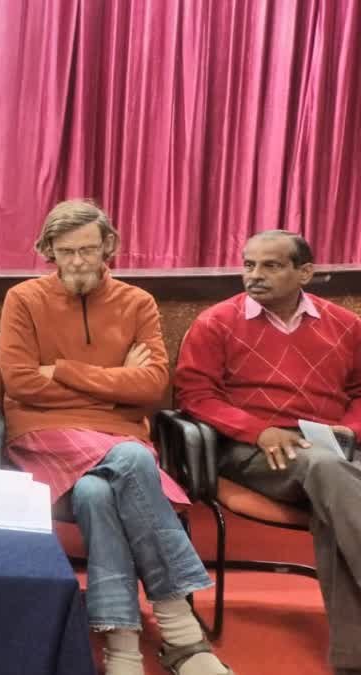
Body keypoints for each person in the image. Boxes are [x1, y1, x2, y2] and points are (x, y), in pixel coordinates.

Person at [0, 200, 229, 675]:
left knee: (97, 493)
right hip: (42, 432)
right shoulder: (23, 298)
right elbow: (20, 382)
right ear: (49, 251)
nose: (78, 261)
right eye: (66, 252)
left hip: (117, 434)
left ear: (108, 247)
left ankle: (121, 645)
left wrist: (62, 371)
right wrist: (116, 382)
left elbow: (152, 386)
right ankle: (181, 630)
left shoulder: (137, 302)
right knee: (133, 460)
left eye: (88, 249)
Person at [175, 230, 361, 675]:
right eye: (249, 265)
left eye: (270, 266)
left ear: (305, 272)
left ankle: (352, 659)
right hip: (251, 451)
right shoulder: (216, 322)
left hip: (332, 446)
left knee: (334, 493)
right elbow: (195, 395)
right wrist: (258, 431)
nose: (254, 275)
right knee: (328, 470)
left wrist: (350, 428)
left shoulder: (346, 325)